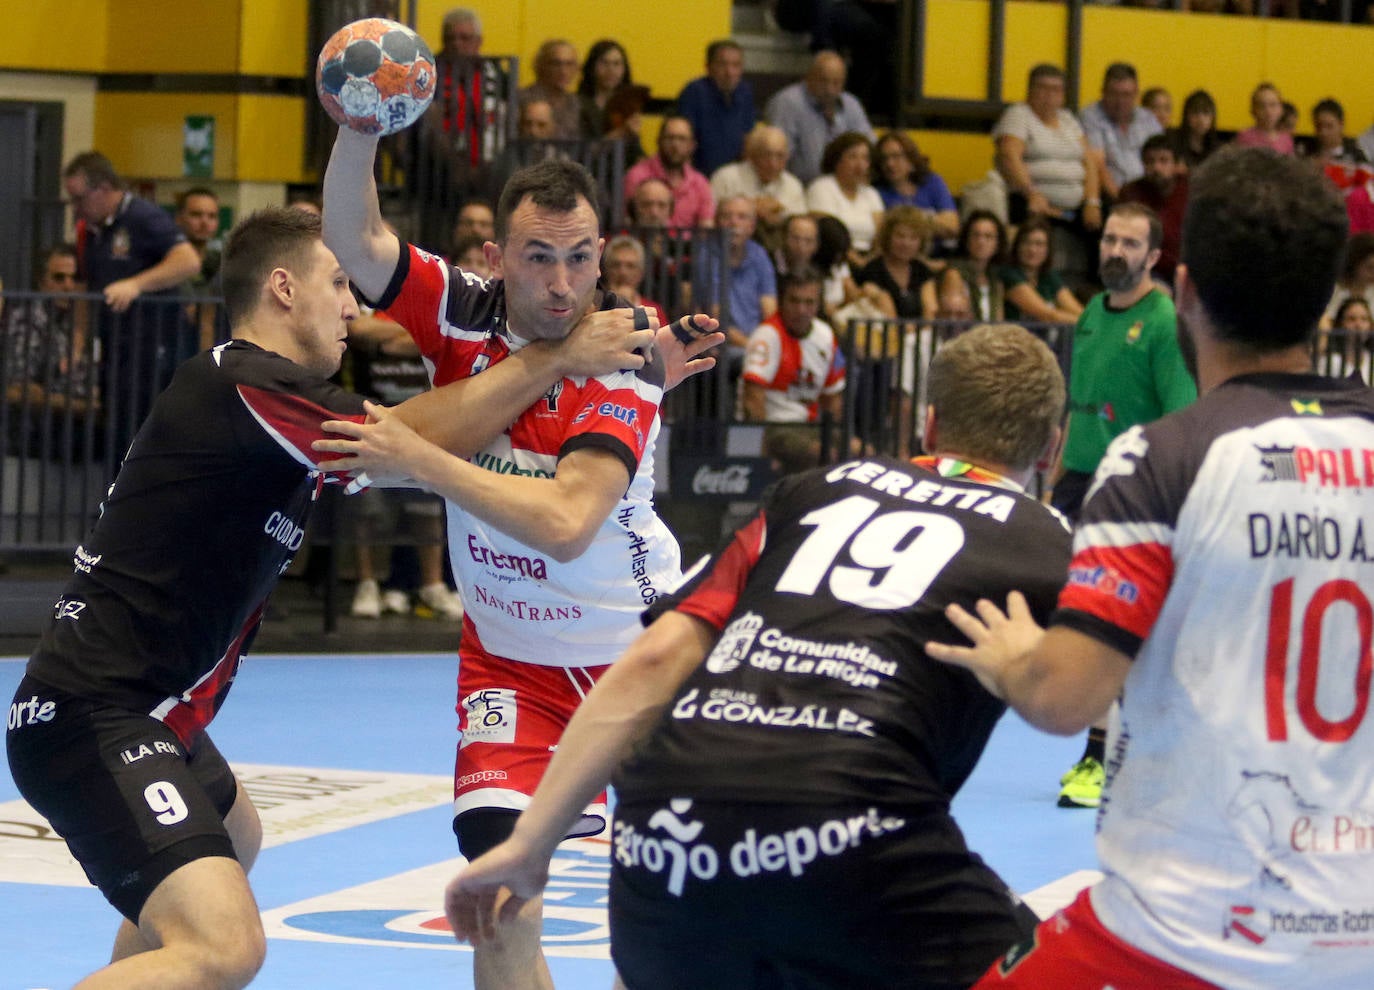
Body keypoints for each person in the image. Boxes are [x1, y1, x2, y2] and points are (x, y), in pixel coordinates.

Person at [444, 321, 1075, 990]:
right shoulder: (1048, 540)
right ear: (1054, 449)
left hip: (665, 829)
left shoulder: (817, 491)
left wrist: (529, 845)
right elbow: (1080, 703)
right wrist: (1020, 667)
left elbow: (657, 661)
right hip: (849, 829)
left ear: (928, 425)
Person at [925, 145, 1372, 990]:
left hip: (1187, 933)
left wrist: (1014, 650)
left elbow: (1064, 699)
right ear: (1328, 299)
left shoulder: (1165, 460)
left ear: (1187, 293)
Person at [319, 130, 723, 990]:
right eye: (539, 258)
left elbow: (567, 522)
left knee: (672, 926)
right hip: (510, 670)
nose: (563, 282)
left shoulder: (629, 348)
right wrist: (358, 128)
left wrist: (418, 458)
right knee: (500, 910)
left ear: (603, 254)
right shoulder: (462, 309)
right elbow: (354, 241)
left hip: (642, 663)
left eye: (580, 257)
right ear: (498, 257)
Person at [1049, 201, 1195, 810]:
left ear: (1154, 257)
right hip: (1076, 483)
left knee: (1110, 625)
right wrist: (1055, 477)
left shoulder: (1164, 322)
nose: (1115, 251)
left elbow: (1182, 420)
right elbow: (1078, 408)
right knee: (1079, 618)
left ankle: (1096, 759)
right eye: (1110, 239)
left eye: (1130, 244)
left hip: (1133, 491)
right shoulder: (1088, 313)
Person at [62, 151, 202, 442]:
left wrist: (136, 285)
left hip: (153, 346)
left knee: (147, 428)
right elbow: (86, 286)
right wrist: (77, 344)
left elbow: (187, 261)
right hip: (117, 347)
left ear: (102, 189)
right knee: (117, 426)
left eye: (79, 199)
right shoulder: (92, 231)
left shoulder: (142, 217)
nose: (76, 208)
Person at [993, 64, 1102, 233]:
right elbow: (1009, 157)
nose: (1050, 95)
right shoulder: (1018, 114)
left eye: (1056, 89)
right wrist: (1032, 194)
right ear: (1030, 91)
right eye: (1043, 88)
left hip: (1076, 206)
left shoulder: (1068, 119)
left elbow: (1089, 161)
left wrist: (1092, 202)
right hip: (1031, 200)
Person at [738, 268, 845, 422]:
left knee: (859, 447)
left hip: (809, 427)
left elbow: (833, 398)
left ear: (819, 305)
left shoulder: (826, 336)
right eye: (794, 301)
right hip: (774, 426)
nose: (801, 310)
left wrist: (833, 438)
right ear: (781, 301)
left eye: (809, 302)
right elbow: (753, 400)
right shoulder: (767, 336)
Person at [690, 195, 778, 374]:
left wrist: (764, 342)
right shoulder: (706, 256)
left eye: (741, 217)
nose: (733, 222)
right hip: (723, 343)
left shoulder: (759, 254)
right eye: (726, 216)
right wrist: (753, 347)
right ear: (717, 223)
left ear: (752, 226)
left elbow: (770, 308)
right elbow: (715, 317)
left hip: (758, 342)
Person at [765, 50, 876, 186]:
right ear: (808, 77)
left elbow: (870, 147)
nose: (829, 89)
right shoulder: (787, 103)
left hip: (845, 188)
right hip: (800, 189)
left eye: (836, 83)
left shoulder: (851, 105)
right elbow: (776, 156)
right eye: (824, 81)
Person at [709, 123, 807, 253]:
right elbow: (712, 218)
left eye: (780, 156)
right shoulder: (726, 177)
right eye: (767, 155)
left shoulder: (793, 185)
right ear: (752, 155)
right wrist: (754, 209)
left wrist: (778, 218)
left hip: (781, 252)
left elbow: (799, 224)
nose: (773, 163)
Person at [1078, 62, 1163, 202]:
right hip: (1111, 196)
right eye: (1114, 94)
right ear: (1103, 92)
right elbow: (1098, 165)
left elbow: (1162, 156)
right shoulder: (1090, 117)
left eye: (1126, 95)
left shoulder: (1147, 118)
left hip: (1149, 193)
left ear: (1136, 94)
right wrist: (1123, 201)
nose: (1120, 101)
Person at [676, 40, 756, 177]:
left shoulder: (745, 93)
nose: (729, 72)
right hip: (699, 176)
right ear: (708, 67)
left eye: (736, 65)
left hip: (734, 178)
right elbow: (683, 144)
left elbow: (748, 139)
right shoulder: (694, 92)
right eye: (722, 65)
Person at [1118, 134, 1189, 287]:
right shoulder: (1130, 194)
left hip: (1187, 270)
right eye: (1150, 161)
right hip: (1148, 271)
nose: (1156, 167)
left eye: (1164, 161)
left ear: (1177, 165)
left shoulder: (1191, 191)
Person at [623, 115, 716, 230]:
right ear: (658, 141)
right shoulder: (636, 175)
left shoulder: (701, 183)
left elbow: (706, 229)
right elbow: (626, 223)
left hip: (688, 247)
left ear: (692, 145)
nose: (675, 145)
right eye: (670, 138)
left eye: (682, 139)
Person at [804, 131, 885, 259]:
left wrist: (871, 265)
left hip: (868, 258)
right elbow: (829, 236)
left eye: (865, 158)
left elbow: (880, 237)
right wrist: (858, 262)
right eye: (853, 157)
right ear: (837, 160)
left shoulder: (871, 194)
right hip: (834, 257)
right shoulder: (822, 188)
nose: (860, 165)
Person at [872, 130, 960, 243]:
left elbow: (952, 226)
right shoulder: (876, 191)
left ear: (911, 159)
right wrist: (932, 220)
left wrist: (908, 219)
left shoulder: (932, 182)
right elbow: (883, 232)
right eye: (884, 158)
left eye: (896, 156)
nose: (890, 164)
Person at [852, 205, 938, 319]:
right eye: (900, 236)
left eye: (913, 238)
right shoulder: (872, 270)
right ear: (888, 237)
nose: (906, 243)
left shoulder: (922, 270)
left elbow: (930, 310)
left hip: (921, 334)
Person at [1000, 216, 1084, 325]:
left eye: (1039, 244)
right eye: (1026, 242)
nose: (1032, 250)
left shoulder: (1048, 275)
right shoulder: (1009, 274)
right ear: (1017, 246)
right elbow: (1048, 316)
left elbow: (1079, 312)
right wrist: (1090, 325)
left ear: (1048, 249)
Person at [941, 210, 1008, 323]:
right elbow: (955, 320)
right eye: (976, 235)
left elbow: (999, 323)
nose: (981, 241)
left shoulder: (996, 281)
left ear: (998, 244)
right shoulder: (954, 274)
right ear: (966, 240)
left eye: (988, 237)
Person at [517, 39, 580, 141]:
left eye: (569, 64)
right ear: (542, 65)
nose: (563, 71)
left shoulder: (574, 102)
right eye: (556, 64)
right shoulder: (522, 98)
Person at [174, 187, 223, 290]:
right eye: (196, 215)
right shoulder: (165, 264)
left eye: (212, 216)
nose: (205, 222)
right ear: (179, 219)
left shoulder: (221, 263)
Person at [1167, 89, 1223, 173]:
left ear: (1213, 117)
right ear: (1186, 116)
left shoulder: (1217, 148)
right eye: (1195, 113)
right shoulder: (1172, 142)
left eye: (1206, 113)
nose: (1201, 119)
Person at [1235, 82, 1294, 155]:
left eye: (1273, 105)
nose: (1268, 111)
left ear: (1281, 109)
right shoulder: (1244, 137)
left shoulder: (1286, 139)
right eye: (1261, 106)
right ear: (1253, 111)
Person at [1308, 98, 1369, 166]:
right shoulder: (1307, 153)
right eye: (1318, 126)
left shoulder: (1356, 157)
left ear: (1341, 125)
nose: (1323, 132)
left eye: (1329, 126)